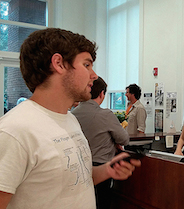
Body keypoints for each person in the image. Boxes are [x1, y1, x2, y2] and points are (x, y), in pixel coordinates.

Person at [0, 28, 140, 209]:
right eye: (87, 65)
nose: (94, 75)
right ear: (59, 63)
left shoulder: (70, 120)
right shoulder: (14, 131)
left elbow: (78, 178)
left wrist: (107, 170)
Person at [72, 76, 130, 209]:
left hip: (78, 167)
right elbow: (124, 139)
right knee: (102, 203)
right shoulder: (104, 114)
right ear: (102, 93)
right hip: (102, 168)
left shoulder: (73, 113)